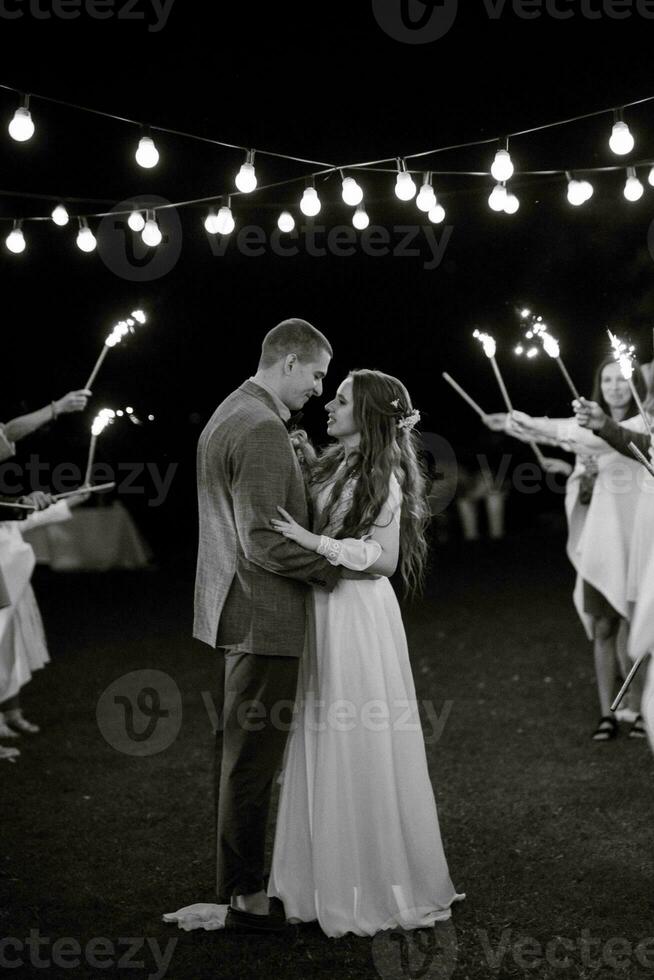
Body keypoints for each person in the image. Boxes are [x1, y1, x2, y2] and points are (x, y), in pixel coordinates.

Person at [186, 318, 352, 933]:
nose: (317, 389)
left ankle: (242, 886)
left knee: (243, 757)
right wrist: (338, 572)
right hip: (263, 613)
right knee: (252, 762)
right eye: (315, 376)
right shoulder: (259, 428)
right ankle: (247, 895)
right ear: (287, 363)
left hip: (243, 607)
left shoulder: (238, 411)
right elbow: (260, 539)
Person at [505, 357, 648, 741]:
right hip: (603, 537)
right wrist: (517, 422)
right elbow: (569, 436)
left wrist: (533, 424)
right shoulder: (591, 428)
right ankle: (609, 712)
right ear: (599, 384)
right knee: (604, 626)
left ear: (636, 385)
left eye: (623, 379)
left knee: (638, 627)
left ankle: (637, 710)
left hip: (638, 539)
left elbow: (593, 434)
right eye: (608, 379)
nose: (616, 386)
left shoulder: (644, 423)